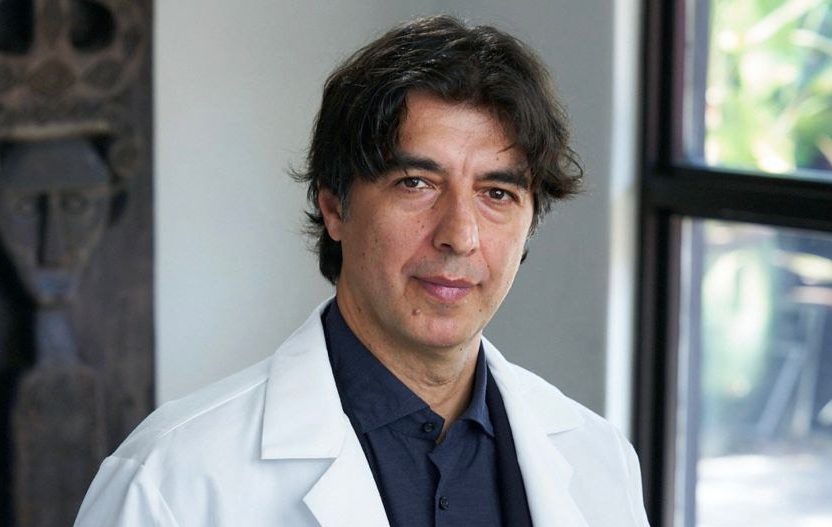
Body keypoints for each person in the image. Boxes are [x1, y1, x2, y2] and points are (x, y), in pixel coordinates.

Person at [75, 15, 650, 527]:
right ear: (334, 207)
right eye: (416, 184)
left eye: (496, 193)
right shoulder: (169, 482)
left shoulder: (599, 460)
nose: (460, 235)